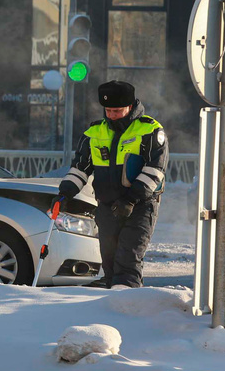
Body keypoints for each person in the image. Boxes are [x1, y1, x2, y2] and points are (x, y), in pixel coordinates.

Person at [55, 80, 168, 288]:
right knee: (109, 263)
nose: (112, 115)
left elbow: (155, 171)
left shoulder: (149, 130)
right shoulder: (94, 133)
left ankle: (125, 307)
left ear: (131, 106)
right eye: (108, 110)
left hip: (140, 206)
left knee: (126, 262)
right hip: (107, 207)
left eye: (117, 110)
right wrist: (65, 193)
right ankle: (109, 307)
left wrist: (131, 199)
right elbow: (80, 168)